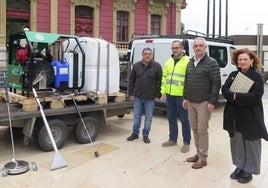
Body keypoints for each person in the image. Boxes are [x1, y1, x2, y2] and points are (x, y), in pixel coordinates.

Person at [222, 48, 268, 184]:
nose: (242, 62)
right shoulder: (232, 75)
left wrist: (236, 96)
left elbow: (255, 96)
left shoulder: (257, 77)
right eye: (240, 59)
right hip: (234, 116)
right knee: (237, 142)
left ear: (252, 61)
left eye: (245, 59)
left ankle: (249, 169)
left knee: (251, 143)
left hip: (251, 117)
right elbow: (225, 90)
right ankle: (239, 166)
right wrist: (234, 96)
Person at [182, 37, 221, 169]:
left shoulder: (212, 63)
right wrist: (185, 97)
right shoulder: (190, 62)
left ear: (205, 48)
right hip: (191, 102)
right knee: (194, 128)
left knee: (202, 130)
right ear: (193, 48)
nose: (198, 47)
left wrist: (212, 101)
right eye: (196, 46)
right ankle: (198, 153)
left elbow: (216, 83)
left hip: (204, 102)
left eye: (201, 45)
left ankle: (203, 158)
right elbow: (187, 81)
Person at [160, 40, 191, 153]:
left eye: (177, 48)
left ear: (182, 48)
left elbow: (190, 80)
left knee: (184, 120)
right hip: (170, 96)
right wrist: (163, 92)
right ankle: (172, 139)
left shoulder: (188, 61)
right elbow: (164, 78)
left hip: (182, 96)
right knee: (171, 118)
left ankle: (186, 142)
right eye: (173, 48)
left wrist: (187, 96)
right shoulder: (168, 61)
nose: (175, 50)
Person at [127, 47, 162, 144]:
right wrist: (130, 93)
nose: (147, 55)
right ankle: (135, 133)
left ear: (151, 55)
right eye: (145, 53)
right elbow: (132, 80)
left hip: (150, 98)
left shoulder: (157, 66)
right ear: (142, 55)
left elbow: (160, 81)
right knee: (137, 116)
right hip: (138, 96)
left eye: (149, 54)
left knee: (148, 117)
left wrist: (157, 95)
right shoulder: (136, 65)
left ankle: (146, 135)